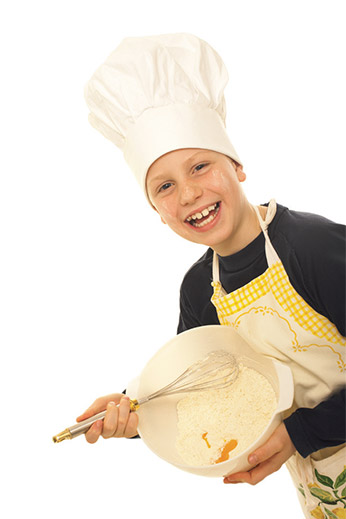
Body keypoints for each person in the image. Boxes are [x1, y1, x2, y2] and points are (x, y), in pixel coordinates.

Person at [77, 34, 346, 519]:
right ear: (157, 211)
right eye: (165, 186)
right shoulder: (200, 292)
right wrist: (133, 413)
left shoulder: (314, 247)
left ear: (237, 166)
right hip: (327, 496)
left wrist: (299, 432)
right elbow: (198, 392)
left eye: (200, 165)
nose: (188, 194)